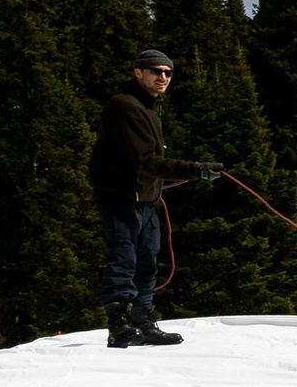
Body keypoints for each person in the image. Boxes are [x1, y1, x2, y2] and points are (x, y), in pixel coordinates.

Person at [86, 49, 219, 349]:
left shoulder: (149, 107)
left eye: (168, 72)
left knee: (147, 261)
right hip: (120, 196)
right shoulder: (125, 105)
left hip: (144, 198)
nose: (163, 77)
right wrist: (195, 170)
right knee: (124, 258)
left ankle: (142, 321)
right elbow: (145, 160)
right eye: (156, 71)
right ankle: (119, 326)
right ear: (138, 73)